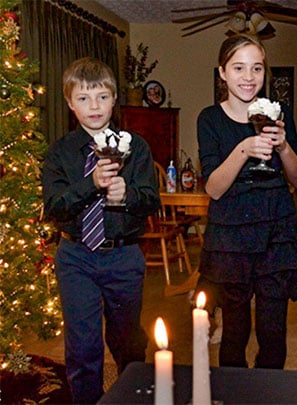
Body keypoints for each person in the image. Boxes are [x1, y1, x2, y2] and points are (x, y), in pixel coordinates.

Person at [42, 57, 160, 403]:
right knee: (82, 346)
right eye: (83, 98)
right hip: (76, 257)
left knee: (128, 342)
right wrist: (90, 183)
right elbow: (55, 206)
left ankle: (131, 396)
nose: (93, 106)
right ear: (69, 103)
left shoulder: (136, 147)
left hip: (123, 256)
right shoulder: (60, 152)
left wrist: (128, 195)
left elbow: (151, 201)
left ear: (114, 99)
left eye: (102, 97)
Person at [196, 34, 297, 369]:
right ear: (222, 73)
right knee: (234, 333)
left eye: (256, 68)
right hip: (231, 237)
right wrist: (244, 149)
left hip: (276, 232)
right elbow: (214, 188)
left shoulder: (280, 112)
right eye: (239, 67)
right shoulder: (210, 119)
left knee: (273, 334)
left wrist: (284, 147)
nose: (248, 76)